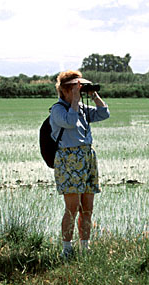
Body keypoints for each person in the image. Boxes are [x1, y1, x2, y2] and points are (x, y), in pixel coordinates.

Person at [50, 70, 110, 259]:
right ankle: (66, 249)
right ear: (66, 90)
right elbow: (70, 121)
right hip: (69, 159)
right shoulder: (58, 110)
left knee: (87, 207)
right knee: (72, 207)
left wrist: (93, 95)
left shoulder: (82, 108)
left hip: (87, 157)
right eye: (76, 87)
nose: (79, 90)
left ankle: (85, 248)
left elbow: (104, 113)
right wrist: (75, 100)